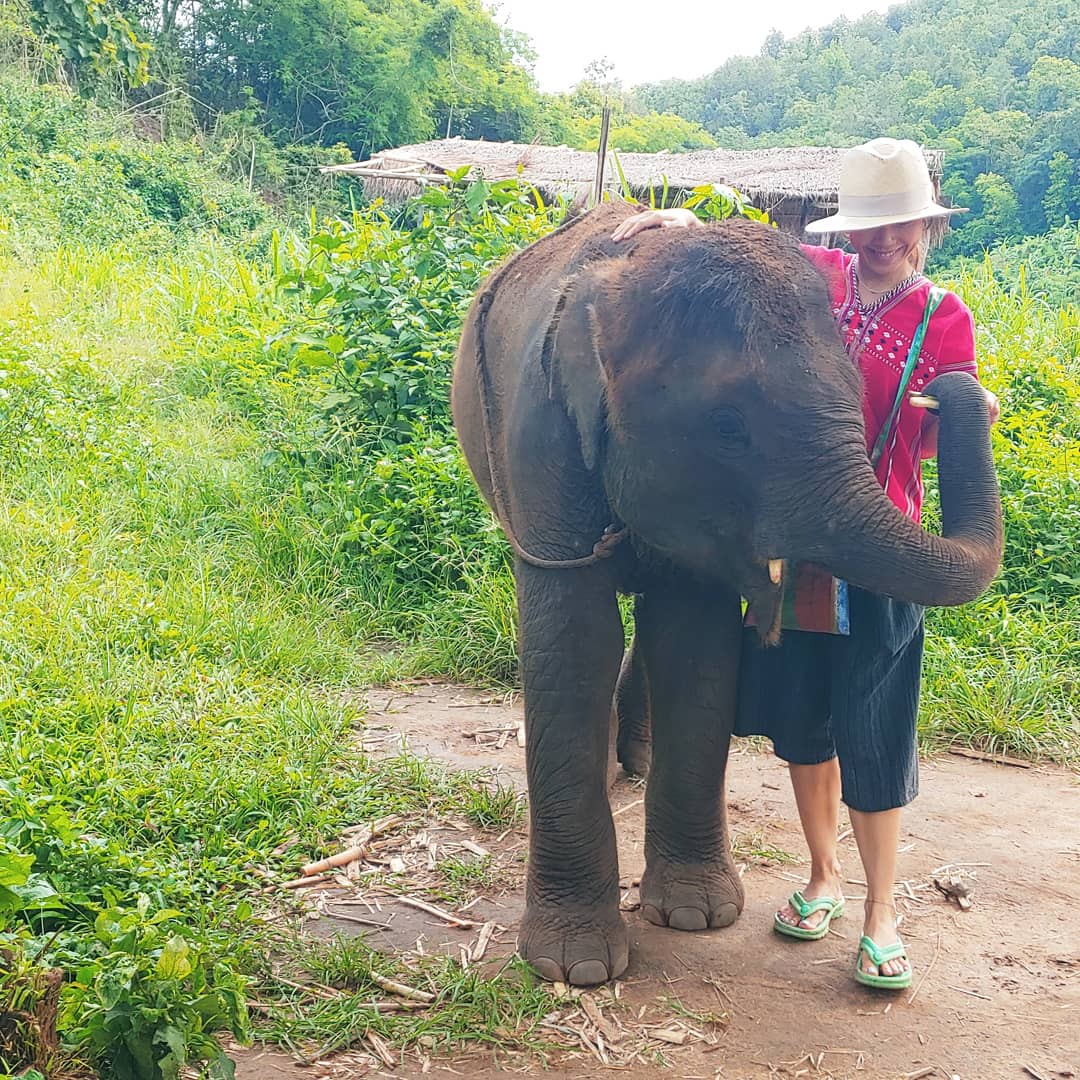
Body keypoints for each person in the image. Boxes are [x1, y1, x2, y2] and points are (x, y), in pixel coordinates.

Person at [613, 138, 1000, 990]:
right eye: (868, 225)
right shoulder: (813, 280)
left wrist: (970, 414)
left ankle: (880, 914)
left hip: (882, 545)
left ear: (925, 225)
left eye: (898, 224)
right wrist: (678, 225)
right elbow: (738, 259)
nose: (881, 241)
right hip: (792, 545)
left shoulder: (946, 317)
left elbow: (931, 443)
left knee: (876, 728)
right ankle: (823, 878)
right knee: (804, 726)